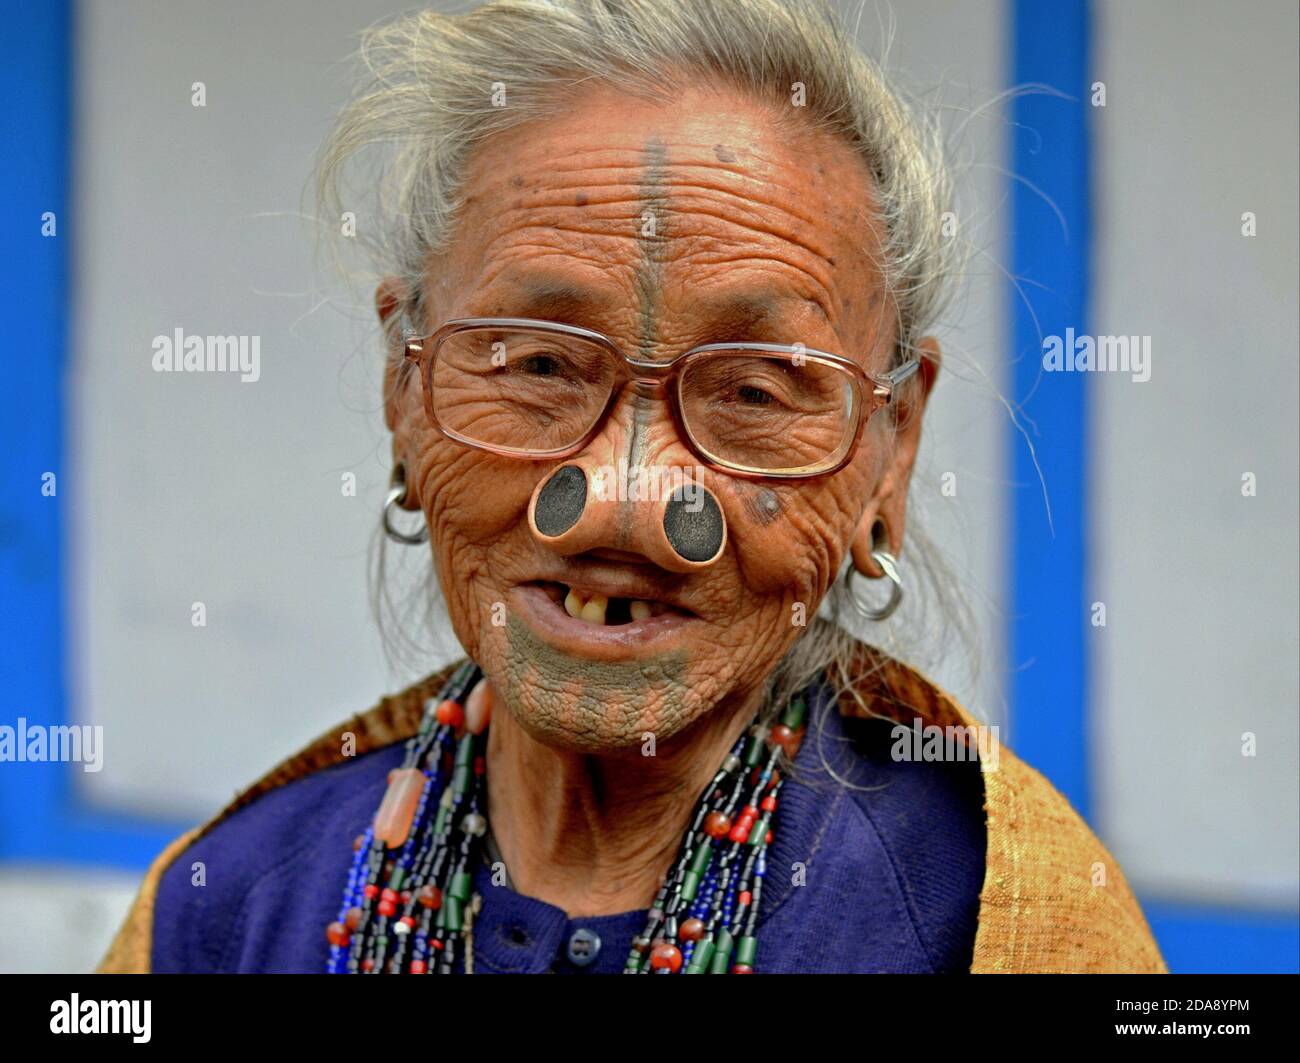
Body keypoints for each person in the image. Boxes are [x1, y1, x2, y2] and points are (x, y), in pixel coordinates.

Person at [100, 0, 1165, 974]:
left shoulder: (988, 929)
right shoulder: (225, 912)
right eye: (540, 366)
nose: (622, 497)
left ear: (891, 446)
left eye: (753, 389)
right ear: (403, 385)